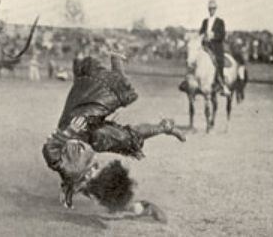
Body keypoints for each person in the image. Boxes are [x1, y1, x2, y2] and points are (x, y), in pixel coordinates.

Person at [41, 56, 185, 221]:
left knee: (110, 92)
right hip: (90, 137)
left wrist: (68, 132)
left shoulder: (67, 168)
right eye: (96, 170)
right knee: (127, 138)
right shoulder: (90, 182)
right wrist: (143, 207)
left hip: (74, 123)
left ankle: (113, 61)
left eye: (92, 172)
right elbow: (108, 196)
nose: (95, 168)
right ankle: (163, 128)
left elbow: (49, 149)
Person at [199, 0, 231, 96]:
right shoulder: (205, 21)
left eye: (213, 8)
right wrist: (203, 36)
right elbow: (200, 32)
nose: (211, 10)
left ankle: (222, 85)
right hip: (205, 47)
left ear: (215, 9)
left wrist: (213, 36)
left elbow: (222, 35)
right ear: (208, 9)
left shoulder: (220, 21)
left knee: (219, 61)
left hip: (216, 47)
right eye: (210, 9)